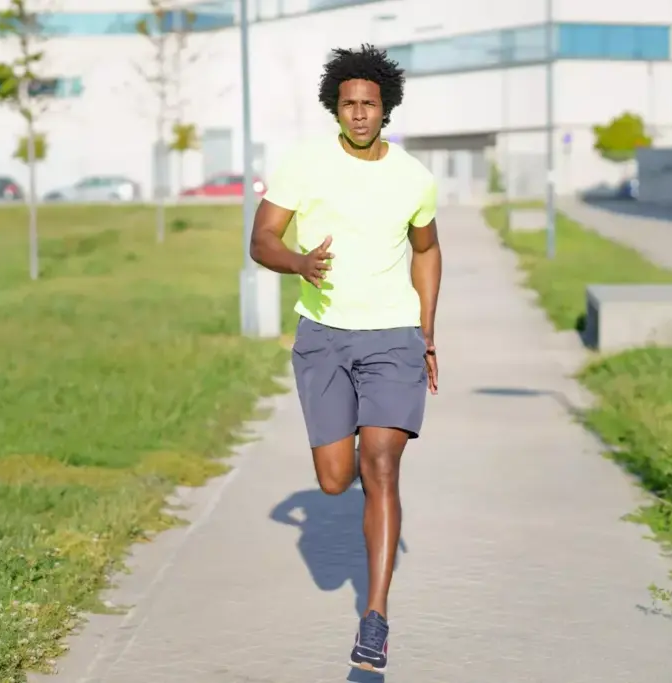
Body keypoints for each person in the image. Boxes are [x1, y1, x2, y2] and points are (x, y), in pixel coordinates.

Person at [248, 44, 442, 674]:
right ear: (335, 108)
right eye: (349, 103)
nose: (360, 114)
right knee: (336, 479)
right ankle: (363, 437)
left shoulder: (414, 177)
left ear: (387, 109)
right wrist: (298, 262)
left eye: (370, 104)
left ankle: (375, 619)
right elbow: (262, 239)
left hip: (393, 337)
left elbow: (426, 249)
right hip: (324, 337)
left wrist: (427, 331)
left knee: (381, 465)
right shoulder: (305, 165)